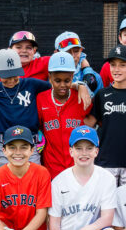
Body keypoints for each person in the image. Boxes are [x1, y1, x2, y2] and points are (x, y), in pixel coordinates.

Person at [87, 44, 126, 186]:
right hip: (105, 161)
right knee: (106, 205)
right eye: (113, 65)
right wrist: (78, 87)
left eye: (122, 65)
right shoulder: (102, 94)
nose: (116, 69)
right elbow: (89, 123)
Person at [37, 51, 93, 180]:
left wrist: (81, 86)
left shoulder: (81, 97)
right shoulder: (41, 99)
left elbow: (94, 120)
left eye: (67, 81)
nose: (62, 85)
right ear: (50, 77)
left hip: (78, 166)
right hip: (52, 168)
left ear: (73, 76)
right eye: (57, 80)